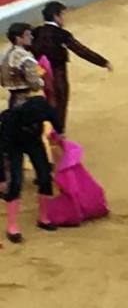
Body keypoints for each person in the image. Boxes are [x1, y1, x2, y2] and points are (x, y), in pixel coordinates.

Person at [30, 1, 112, 133]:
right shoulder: (61, 35)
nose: (64, 19)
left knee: (49, 101)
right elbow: (81, 51)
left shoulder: (36, 32)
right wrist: (102, 62)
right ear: (56, 16)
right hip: (58, 74)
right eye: (62, 15)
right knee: (60, 103)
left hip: (42, 75)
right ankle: (57, 134)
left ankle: (48, 131)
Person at [0, 94, 64, 243]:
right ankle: (11, 226)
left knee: (44, 177)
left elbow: (54, 118)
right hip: (14, 145)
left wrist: (60, 134)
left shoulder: (42, 107)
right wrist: (2, 178)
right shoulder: (9, 121)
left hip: (34, 142)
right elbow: (1, 151)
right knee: (15, 181)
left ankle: (43, 218)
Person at [0, 22, 43, 109]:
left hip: (12, 99)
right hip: (26, 100)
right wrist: (41, 79)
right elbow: (35, 85)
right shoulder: (25, 57)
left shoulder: (4, 54)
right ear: (18, 38)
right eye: (27, 35)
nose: (31, 37)